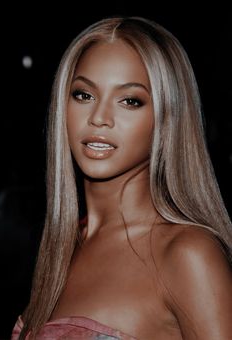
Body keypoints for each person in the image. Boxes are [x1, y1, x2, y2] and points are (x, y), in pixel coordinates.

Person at [12, 16, 232, 340]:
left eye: (130, 101)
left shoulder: (187, 255)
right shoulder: (64, 246)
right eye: (83, 95)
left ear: (166, 118)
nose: (99, 118)